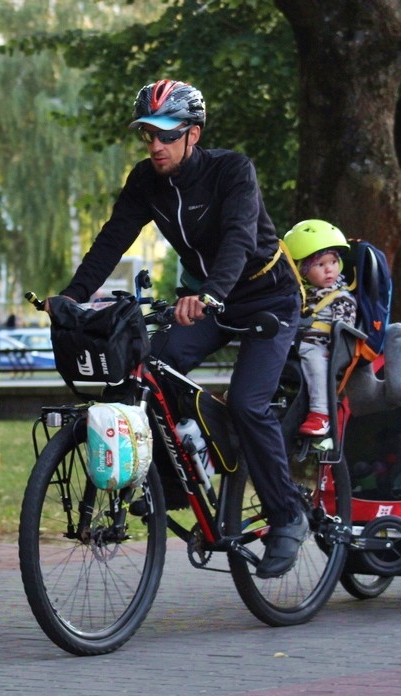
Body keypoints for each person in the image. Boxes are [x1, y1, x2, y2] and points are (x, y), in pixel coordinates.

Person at [48, 79, 307, 579]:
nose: (156, 145)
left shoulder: (233, 170)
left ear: (194, 134)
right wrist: (73, 296)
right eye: (148, 134)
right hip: (208, 300)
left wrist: (210, 294)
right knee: (151, 368)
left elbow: (238, 238)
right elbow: (112, 240)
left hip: (266, 297)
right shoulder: (146, 180)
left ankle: (287, 515)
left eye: (167, 135)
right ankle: (172, 479)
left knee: (248, 403)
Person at [284, 220, 356, 438]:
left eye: (333, 262)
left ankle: (320, 414)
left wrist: (334, 349)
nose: (329, 269)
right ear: (303, 271)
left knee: (315, 363)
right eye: (320, 264)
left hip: (323, 347)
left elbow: (345, 326)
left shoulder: (341, 296)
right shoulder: (300, 295)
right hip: (295, 343)